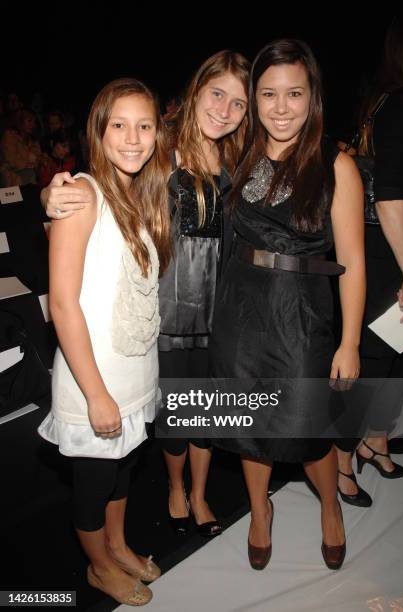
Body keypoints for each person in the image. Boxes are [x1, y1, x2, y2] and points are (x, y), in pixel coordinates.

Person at [40, 50, 250, 537]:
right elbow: (99, 198)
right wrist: (51, 201)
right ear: (195, 92)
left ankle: (199, 494)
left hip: (220, 310)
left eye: (239, 103)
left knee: (208, 410)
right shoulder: (158, 146)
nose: (224, 109)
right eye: (216, 94)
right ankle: (176, 490)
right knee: (175, 412)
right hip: (163, 307)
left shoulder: (241, 159)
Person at [209, 39, 366, 571]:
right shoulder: (239, 151)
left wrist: (349, 343)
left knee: (305, 427)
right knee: (250, 428)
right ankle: (259, 512)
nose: (280, 107)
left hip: (302, 314)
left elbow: (353, 261)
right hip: (239, 308)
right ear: (253, 99)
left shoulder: (335, 163)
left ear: (312, 96)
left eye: (293, 93)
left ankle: (329, 506)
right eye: (268, 93)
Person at [38, 77, 172, 606]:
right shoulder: (84, 195)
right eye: (120, 125)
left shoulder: (137, 195)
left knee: (122, 472)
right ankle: (97, 567)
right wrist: (96, 394)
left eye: (144, 126)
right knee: (94, 486)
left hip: (133, 373)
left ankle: (116, 547)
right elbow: (63, 305)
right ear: (99, 131)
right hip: (94, 377)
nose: (133, 138)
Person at [337, 15, 403, 479]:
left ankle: (375, 440)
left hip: (393, 250)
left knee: (397, 357)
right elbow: (391, 200)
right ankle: (342, 459)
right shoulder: (398, 104)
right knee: (376, 359)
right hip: (391, 252)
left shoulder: (385, 101)